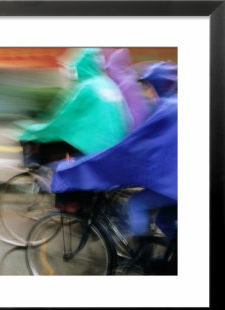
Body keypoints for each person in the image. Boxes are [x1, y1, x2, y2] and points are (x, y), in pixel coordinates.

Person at [50, 62, 178, 272]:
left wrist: (83, 167)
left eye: (148, 87)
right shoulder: (172, 105)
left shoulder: (166, 110)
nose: (147, 93)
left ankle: (143, 258)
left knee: (137, 203)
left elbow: (133, 148)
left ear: (157, 84)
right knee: (165, 218)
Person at [19, 48, 133, 166]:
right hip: (114, 146)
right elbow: (127, 119)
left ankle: (43, 178)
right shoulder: (110, 85)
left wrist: (33, 132)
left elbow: (62, 119)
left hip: (89, 146)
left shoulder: (86, 87)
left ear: (80, 67)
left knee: (43, 146)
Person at [105, 48, 153, 130]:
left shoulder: (125, 84)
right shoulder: (130, 78)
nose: (109, 72)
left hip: (134, 128)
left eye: (110, 68)